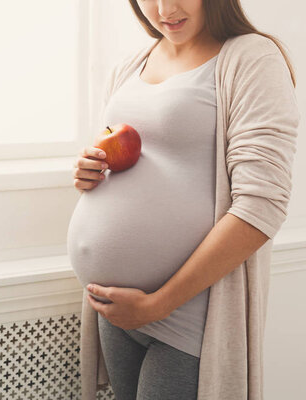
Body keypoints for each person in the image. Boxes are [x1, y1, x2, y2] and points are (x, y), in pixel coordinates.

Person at [68, 1, 300, 399]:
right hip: (116, 308)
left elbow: (262, 204)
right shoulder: (132, 63)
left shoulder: (251, 58)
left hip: (187, 315)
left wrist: (160, 304)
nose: (164, 8)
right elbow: (148, 165)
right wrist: (91, 172)